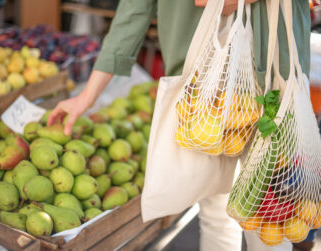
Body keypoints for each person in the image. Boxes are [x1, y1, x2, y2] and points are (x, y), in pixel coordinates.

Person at [48, 1, 311, 250]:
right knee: (216, 210)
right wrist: (88, 95)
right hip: (203, 84)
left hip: (276, 71)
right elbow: (135, 8)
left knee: (272, 218)